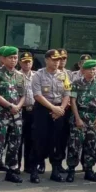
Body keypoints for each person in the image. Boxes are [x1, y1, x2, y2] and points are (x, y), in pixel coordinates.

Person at [0, 46, 24, 185]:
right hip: (0, 114)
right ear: (4, 59)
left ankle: (11, 171)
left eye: (15, 57)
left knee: (15, 143)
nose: (13, 60)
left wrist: (18, 106)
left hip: (16, 115)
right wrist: (9, 106)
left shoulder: (19, 75)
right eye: (10, 58)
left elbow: (22, 94)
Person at [30, 49, 70, 183]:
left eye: (58, 60)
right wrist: (53, 108)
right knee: (39, 140)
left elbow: (67, 94)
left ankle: (55, 170)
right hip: (43, 109)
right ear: (46, 60)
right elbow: (37, 95)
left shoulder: (64, 75)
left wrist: (61, 109)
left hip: (59, 109)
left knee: (57, 141)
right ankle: (34, 170)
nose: (57, 62)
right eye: (54, 59)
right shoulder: (38, 75)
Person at [66, 59, 96, 182]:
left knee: (91, 145)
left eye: (94, 69)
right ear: (83, 70)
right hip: (80, 117)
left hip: (93, 118)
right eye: (90, 69)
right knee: (74, 145)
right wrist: (77, 118)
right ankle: (71, 170)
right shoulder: (77, 84)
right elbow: (72, 101)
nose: (92, 72)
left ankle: (89, 170)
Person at [19, 52, 37, 173]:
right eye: (25, 61)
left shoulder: (36, 75)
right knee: (18, 139)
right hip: (20, 110)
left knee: (31, 139)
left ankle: (29, 165)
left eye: (29, 61)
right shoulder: (16, 75)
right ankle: (16, 166)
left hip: (33, 110)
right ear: (20, 62)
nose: (27, 64)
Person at [56, 49, 74, 174]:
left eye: (64, 58)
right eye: (60, 58)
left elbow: (71, 91)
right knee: (51, 138)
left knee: (63, 138)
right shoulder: (53, 73)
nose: (62, 61)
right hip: (55, 108)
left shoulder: (70, 74)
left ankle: (59, 162)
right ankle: (42, 163)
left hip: (67, 110)